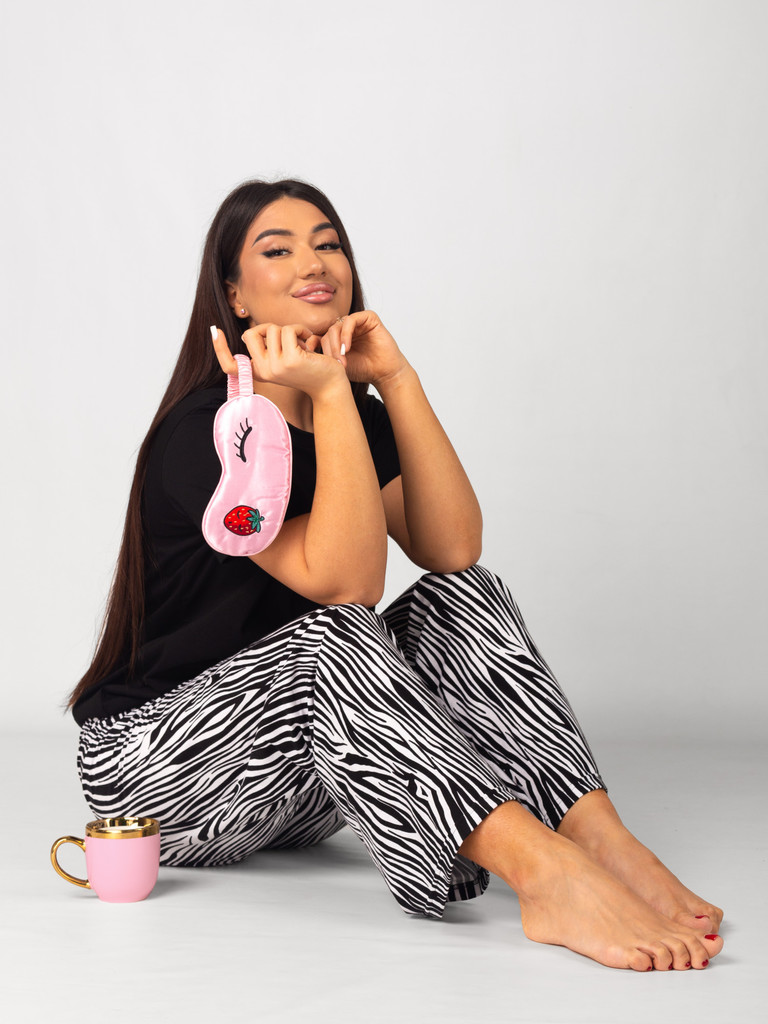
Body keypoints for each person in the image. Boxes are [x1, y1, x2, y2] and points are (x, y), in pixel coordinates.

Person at [69, 178, 723, 971]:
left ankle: (601, 840)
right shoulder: (213, 432)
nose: (315, 263)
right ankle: (546, 875)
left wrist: (396, 381)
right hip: (159, 772)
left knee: (464, 596)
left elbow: (452, 549)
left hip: (300, 773)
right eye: (278, 250)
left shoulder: (352, 414)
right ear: (235, 295)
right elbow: (347, 589)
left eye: (329, 244)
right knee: (335, 631)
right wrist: (328, 390)